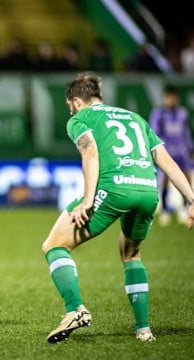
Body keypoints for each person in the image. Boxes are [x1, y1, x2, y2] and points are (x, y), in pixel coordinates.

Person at [41, 72, 194, 343]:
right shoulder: (135, 118)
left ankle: (75, 309)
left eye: (69, 106)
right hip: (147, 191)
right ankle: (143, 330)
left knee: (54, 245)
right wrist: (192, 199)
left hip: (113, 190)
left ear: (76, 102)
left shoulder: (81, 118)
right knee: (131, 254)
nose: (70, 111)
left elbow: (90, 152)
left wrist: (88, 200)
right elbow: (166, 160)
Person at [149, 85, 193, 225]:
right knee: (165, 180)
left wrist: (190, 148)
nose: (172, 100)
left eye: (174, 97)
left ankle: (186, 208)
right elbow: (154, 133)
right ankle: (165, 209)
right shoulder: (159, 114)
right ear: (165, 98)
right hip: (167, 152)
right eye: (169, 97)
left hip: (181, 151)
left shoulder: (182, 113)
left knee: (186, 177)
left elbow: (185, 132)